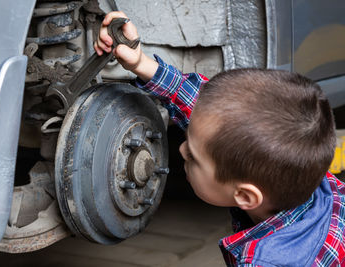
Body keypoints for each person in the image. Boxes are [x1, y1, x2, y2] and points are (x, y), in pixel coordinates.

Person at [95, 11, 345, 266]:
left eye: (193, 156)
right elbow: (208, 113)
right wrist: (141, 63)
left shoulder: (264, 262)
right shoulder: (305, 175)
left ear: (246, 197)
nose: (181, 150)